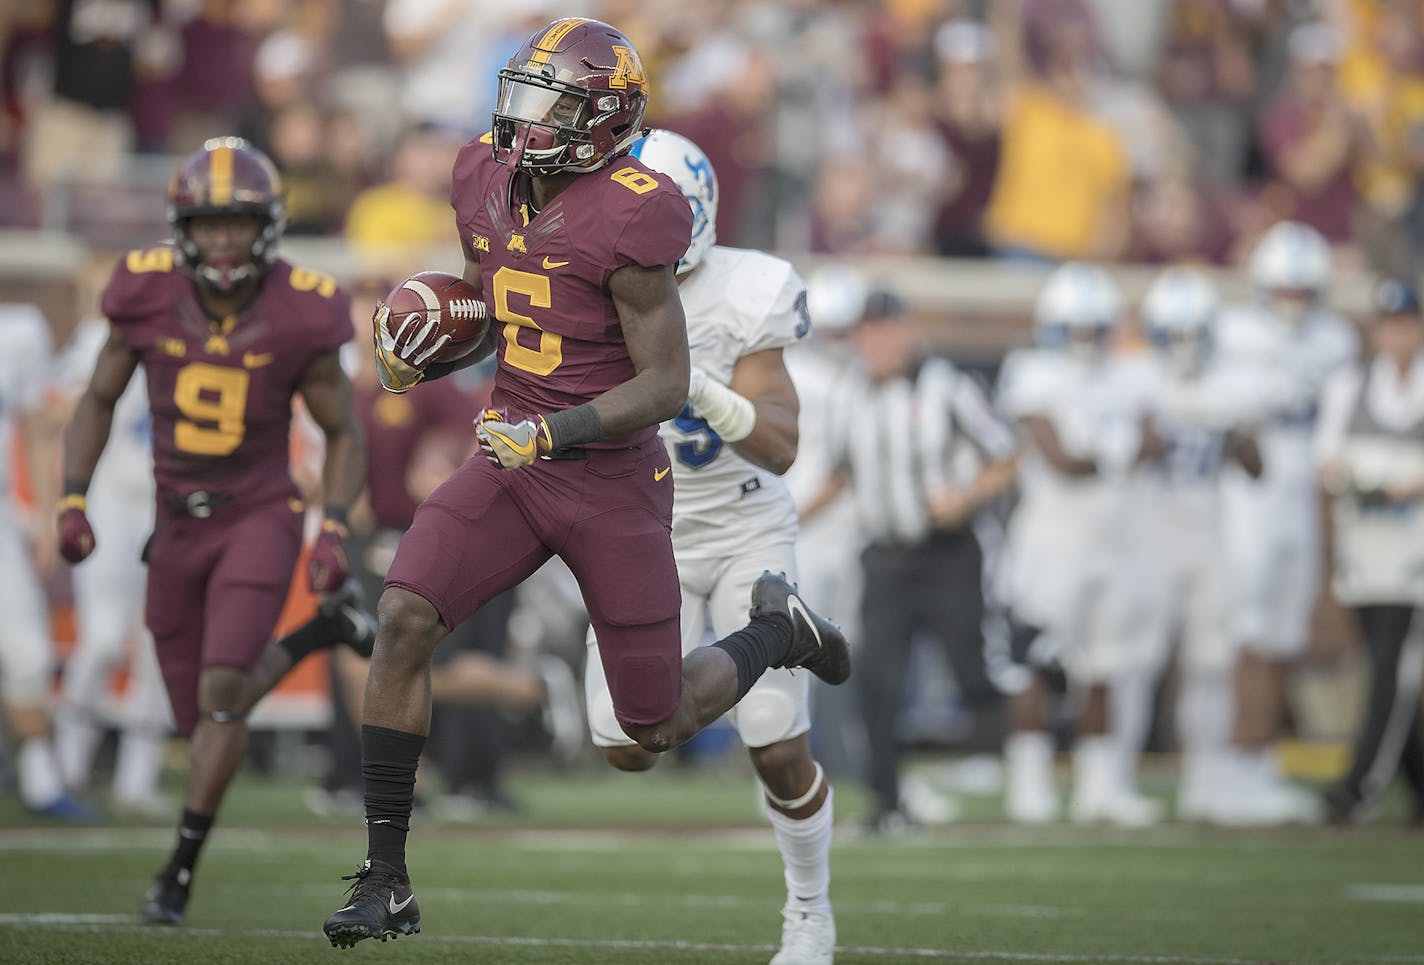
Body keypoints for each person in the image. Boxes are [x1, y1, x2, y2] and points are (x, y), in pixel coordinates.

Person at [320, 18, 850, 949]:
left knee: (651, 724)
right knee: (404, 612)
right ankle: (385, 876)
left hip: (609, 479)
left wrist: (552, 429)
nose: (521, 116)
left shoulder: (638, 207)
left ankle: (776, 630)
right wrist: (431, 345)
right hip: (513, 462)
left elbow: (666, 381)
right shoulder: (480, 172)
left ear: (602, 119)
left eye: (548, 101)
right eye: (521, 92)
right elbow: (512, 308)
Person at [58, 137, 369, 925]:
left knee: (223, 694)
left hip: (258, 514)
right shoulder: (144, 293)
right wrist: (71, 496)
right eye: (211, 224)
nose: (224, 240)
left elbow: (344, 429)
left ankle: (178, 870)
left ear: (265, 225)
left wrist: (330, 523)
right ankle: (315, 634)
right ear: (182, 226)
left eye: (238, 223)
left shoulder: (302, 306)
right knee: (196, 716)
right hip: (174, 520)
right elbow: (97, 398)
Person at [580, 129, 836, 965]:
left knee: (776, 737)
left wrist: (697, 389)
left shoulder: (747, 291)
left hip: (742, 526)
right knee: (624, 742)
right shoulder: (580, 287)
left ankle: (809, 912)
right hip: (637, 530)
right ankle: (780, 633)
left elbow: (781, 444)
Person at [819, 289, 1018, 832]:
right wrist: (790, 517)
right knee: (876, 679)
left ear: (906, 331)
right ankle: (888, 803)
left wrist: (966, 496)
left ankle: (1020, 775)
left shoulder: (947, 386)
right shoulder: (848, 393)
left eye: (886, 330)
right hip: (885, 555)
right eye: (868, 331)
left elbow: (1005, 455)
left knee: (972, 671)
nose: (877, 342)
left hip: (948, 553)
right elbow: (840, 474)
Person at [995, 263, 1159, 826]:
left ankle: (1099, 785)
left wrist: (1111, 449)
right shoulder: (1033, 370)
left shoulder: (1132, 373)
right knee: (1035, 662)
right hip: (1052, 540)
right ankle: (1030, 782)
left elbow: (1154, 442)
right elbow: (1060, 458)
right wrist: (1116, 451)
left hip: (1116, 539)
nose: (1086, 339)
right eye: (1077, 327)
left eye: (1095, 327)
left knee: (1105, 664)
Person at [1213, 220, 1358, 825]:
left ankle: (1256, 761)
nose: (1292, 303)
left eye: (1302, 291)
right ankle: (1234, 763)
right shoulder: (1233, 332)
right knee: (1247, 629)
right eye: (1283, 290)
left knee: (1282, 632)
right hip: (1250, 492)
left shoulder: (1337, 340)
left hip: (1305, 489)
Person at [1134, 269, 1264, 820]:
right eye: (1173, 334)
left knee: (1209, 662)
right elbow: (1128, 453)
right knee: (1133, 661)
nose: (1184, 347)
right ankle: (1111, 778)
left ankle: (1205, 778)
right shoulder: (1137, 380)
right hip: (1149, 535)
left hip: (1209, 533)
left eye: (1193, 334)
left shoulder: (1231, 387)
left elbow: (1258, 468)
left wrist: (1237, 429)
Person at [52, 318, 172, 816]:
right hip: (111, 498)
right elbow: (61, 405)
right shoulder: (104, 333)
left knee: (159, 644)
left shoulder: (211, 330)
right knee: (101, 639)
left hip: (171, 502)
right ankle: (66, 769)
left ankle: (136, 781)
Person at [1315, 278, 1424, 826]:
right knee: (1387, 667)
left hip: (1415, 554)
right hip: (1367, 550)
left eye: (1406, 323)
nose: (1397, 335)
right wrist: (1367, 482)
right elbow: (1328, 465)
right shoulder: (1350, 385)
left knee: (1394, 668)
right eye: (1388, 324)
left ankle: (1360, 785)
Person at [0, 302, 96, 822]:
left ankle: (40, 783)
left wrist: (40, 513)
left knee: (28, 655)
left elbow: (37, 429)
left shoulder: (19, 330)